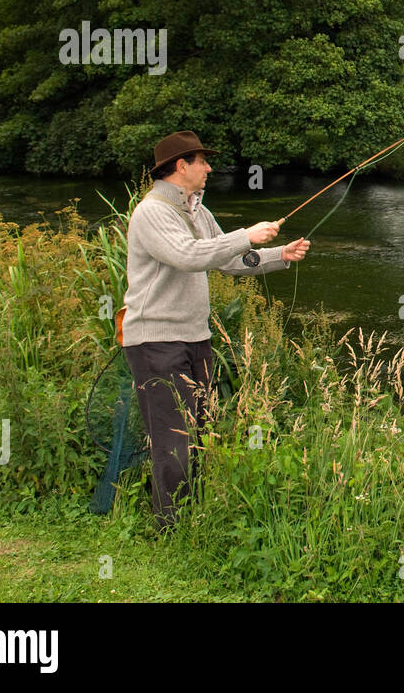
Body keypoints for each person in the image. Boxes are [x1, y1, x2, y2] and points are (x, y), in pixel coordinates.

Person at [120, 131, 310, 530]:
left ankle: (194, 518)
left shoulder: (196, 211)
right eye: (202, 161)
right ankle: (171, 529)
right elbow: (188, 256)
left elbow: (227, 259)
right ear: (180, 166)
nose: (209, 167)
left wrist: (279, 254)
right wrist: (246, 234)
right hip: (155, 341)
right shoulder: (152, 211)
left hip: (194, 337)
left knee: (199, 431)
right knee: (173, 438)